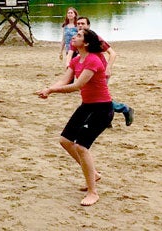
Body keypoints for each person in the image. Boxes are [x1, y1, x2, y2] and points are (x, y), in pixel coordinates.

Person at [36, 28, 114, 206]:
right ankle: (93, 174)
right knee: (65, 140)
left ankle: (93, 192)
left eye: (78, 35)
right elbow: (65, 80)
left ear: (86, 43)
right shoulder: (77, 59)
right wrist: (48, 89)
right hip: (87, 106)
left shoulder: (93, 60)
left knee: (81, 146)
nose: (74, 37)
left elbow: (77, 85)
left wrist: (52, 90)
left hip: (102, 109)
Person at [64, 16, 134, 126]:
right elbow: (70, 52)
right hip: (87, 71)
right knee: (94, 97)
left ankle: (123, 109)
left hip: (100, 71)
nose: (80, 26)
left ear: (89, 26)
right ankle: (106, 119)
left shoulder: (95, 39)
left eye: (83, 24)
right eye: (78, 24)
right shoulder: (77, 39)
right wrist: (68, 63)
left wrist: (108, 68)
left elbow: (113, 53)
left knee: (99, 98)